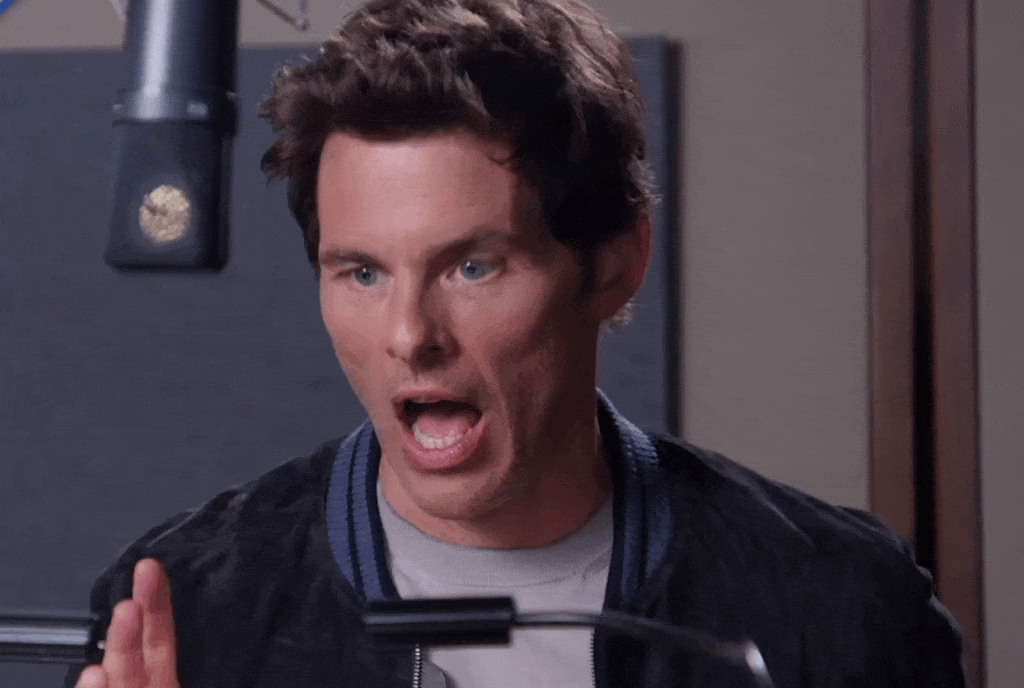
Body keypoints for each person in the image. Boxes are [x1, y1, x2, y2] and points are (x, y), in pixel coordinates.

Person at [68, 0, 967, 686]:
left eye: (473, 266)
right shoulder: (181, 606)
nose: (410, 336)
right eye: (363, 273)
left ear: (615, 266)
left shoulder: (837, 606)